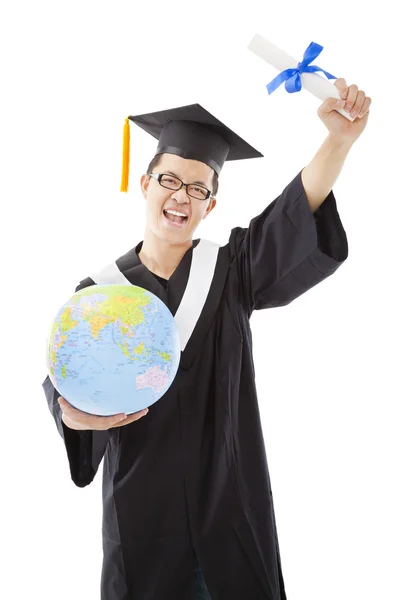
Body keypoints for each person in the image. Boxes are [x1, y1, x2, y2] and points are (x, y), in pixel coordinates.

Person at [42, 78, 371, 599]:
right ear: (146, 184)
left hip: (231, 504)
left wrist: (339, 141)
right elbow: (65, 385)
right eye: (170, 180)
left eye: (199, 188)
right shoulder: (99, 295)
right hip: (142, 511)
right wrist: (72, 415)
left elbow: (295, 211)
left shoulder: (232, 268)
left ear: (211, 205)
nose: (182, 197)